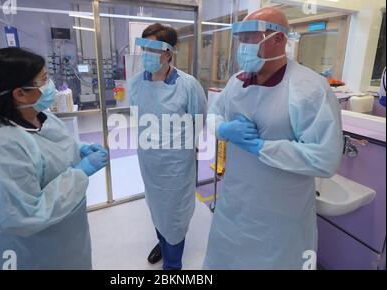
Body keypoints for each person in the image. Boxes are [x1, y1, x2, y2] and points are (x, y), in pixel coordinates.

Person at [204, 7, 343, 269]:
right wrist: (223, 129)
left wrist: (261, 147)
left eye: (251, 38)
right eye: (241, 39)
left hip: (279, 219)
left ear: (279, 39)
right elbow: (213, 114)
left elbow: (324, 159)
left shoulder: (309, 89)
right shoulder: (236, 82)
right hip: (234, 206)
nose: (243, 46)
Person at [0, 47, 108, 270]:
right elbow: (27, 215)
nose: (50, 86)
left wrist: (79, 149)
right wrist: (80, 173)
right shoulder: (0, 146)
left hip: (65, 237)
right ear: (20, 93)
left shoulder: (40, 116)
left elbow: (51, 143)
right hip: (24, 252)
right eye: (43, 80)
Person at [128, 23, 207, 270]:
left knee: (175, 213)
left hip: (176, 166)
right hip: (149, 163)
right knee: (156, 207)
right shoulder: (135, 84)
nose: (148, 55)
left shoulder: (187, 85)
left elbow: (199, 119)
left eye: (155, 49)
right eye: (145, 48)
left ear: (170, 52)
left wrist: (176, 146)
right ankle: (162, 244)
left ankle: (172, 265)